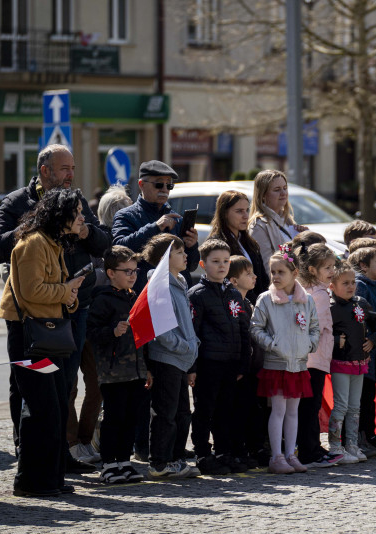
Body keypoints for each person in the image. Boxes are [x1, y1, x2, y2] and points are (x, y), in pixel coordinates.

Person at [0, 146, 109, 468]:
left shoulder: (76, 201)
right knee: (27, 383)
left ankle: (60, 451)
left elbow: (104, 243)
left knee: (64, 383)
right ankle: (27, 450)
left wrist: (84, 229)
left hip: (74, 305)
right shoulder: (17, 202)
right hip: (32, 312)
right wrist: (37, 224)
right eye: (65, 168)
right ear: (45, 170)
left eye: (73, 168)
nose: (71, 175)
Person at [0, 189, 87, 496]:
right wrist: (66, 291)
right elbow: (32, 291)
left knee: (57, 405)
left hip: (48, 335)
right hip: (29, 336)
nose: (82, 217)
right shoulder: (33, 243)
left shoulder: (52, 242)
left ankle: (51, 478)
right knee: (41, 408)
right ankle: (30, 481)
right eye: (76, 212)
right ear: (60, 215)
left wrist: (70, 295)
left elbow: (58, 292)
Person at [250, 248, 320, 474]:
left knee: (293, 411)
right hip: (276, 364)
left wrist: (309, 345)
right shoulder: (266, 299)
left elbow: (314, 327)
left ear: (295, 273)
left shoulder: (306, 300)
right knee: (278, 411)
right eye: (273, 272)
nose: (275, 276)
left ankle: (291, 454)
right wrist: (273, 345)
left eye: (281, 272)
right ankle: (276, 456)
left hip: (298, 364)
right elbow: (256, 328)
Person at [188, 239, 252, 476]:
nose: (222, 266)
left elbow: (243, 329)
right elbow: (193, 332)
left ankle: (224, 451)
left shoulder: (233, 293)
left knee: (225, 409)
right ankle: (202, 454)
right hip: (208, 363)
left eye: (225, 261)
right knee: (205, 410)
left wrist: (243, 363)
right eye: (215, 261)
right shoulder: (197, 294)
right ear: (203, 265)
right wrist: (192, 367)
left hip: (231, 363)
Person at [85, 245, 147, 485]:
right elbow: (91, 333)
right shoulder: (103, 299)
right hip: (113, 371)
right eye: (127, 271)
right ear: (111, 273)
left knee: (131, 418)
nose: (132, 275)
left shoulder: (134, 297)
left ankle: (124, 461)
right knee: (114, 418)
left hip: (136, 370)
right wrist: (112, 331)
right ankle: (108, 463)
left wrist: (147, 368)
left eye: (135, 270)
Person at [142, 234, 201, 480]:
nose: (186, 255)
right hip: (167, 358)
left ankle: (175, 459)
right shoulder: (160, 286)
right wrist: (185, 346)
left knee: (182, 413)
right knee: (165, 413)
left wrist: (191, 348)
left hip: (181, 358)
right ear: (165, 258)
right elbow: (161, 330)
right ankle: (159, 463)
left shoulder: (179, 281)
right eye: (179, 252)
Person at [112, 160, 200, 293]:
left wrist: (191, 246)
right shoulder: (126, 216)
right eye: (159, 184)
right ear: (141, 185)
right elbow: (119, 249)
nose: (164, 189)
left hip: (175, 293)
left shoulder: (177, 218)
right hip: (145, 293)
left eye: (169, 185)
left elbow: (192, 266)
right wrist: (155, 227)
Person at [328, 260, 376, 464]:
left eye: (352, 282)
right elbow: (322, 331)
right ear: (332, 286)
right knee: (341, 405)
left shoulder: (361, 303)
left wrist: (373, 339)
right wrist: (336, 341)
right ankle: (335, 446)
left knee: (354, 406)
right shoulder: (331, 307)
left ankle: (352, 445)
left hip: (360, 362)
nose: (351, 286)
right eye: (345, 283)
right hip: (341, 362)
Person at [294, 241, 342, 467]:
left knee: (308, 406)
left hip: (307, 357)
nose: (332, 271)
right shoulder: (320, 294)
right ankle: (309, 451)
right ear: (313, 270)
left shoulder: (306, 290)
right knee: (310, 407)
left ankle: (312, 447)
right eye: (327, 268)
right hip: (315, 357)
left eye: (333, 266)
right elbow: (319, 326)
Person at [350, 245, 376, 456]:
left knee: (368, 398)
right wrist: (371, 340)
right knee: (360, 399)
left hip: (373, 356)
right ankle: (357, 439)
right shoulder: (361, 287)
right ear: (363, 266)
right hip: (362, 355)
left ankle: (368, 436)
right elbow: (360, 321)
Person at [225, 255, 263, 467]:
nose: (254, 276)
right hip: (239, 367)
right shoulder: (232, 303)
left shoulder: (247, 302)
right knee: (237, 410)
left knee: (250, 409)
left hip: (252, 366)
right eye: (248, 274)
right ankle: (236, 450)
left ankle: (251, 448)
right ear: (234, 280)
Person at [208, 189, 270, 301]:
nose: (246, 216)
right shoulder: (217, 244)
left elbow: (262, 279)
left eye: (246, 210)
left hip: (258, 305)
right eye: (239, 211)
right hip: (234, 305)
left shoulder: (249, 242)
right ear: (225, 213)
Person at [250, 169, 306, 268]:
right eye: (277, 190)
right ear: (263, 195)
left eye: (285, 188)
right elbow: (268, 267)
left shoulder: (287, 219)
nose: (283, 193)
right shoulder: (258, 226)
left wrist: (304, 237)